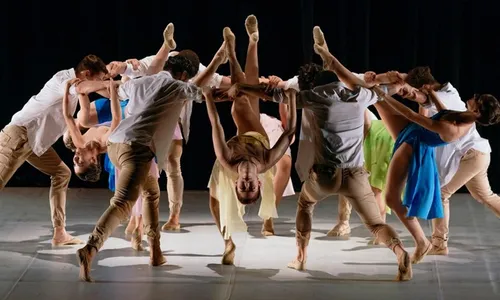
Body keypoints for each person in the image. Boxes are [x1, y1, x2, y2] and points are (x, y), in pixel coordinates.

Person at [238, 26, 412, 281]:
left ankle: (300, 257)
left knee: (306, 204)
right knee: (375, 224)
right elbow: (392, 86)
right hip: (355, 174)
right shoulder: (361, 95)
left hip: (325, 175)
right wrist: (395, 79)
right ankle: (399, 252)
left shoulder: (315, 96)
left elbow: (271, 93)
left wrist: (242, 88)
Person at [76, 28, 228, 281]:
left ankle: (155, 251)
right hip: (136, 149)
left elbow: (114, 90)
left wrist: (92, 86)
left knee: (151, 193)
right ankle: (90, 248)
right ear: (183, 74)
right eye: (188, 77)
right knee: (123, 203)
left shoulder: (142, 81)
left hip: (116, 145)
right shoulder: (178, 86)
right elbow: (200, 86)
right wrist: (217, 60)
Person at [371, 71, 500, 265]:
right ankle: (433, 242)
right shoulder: (459, 111)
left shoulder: (453, 125)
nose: (473, 96)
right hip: (480, 154)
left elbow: (411, 114)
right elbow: (443, 111)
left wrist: (384, 95)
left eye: (477, 99)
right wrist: (431, 94)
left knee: (441, 194)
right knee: (486, 196)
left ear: (478, 112)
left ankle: (438, 244)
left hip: (472, 156)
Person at [103, 40, 229, 232]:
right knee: (133, 189)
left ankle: (160, 225)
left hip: (130, 137)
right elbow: (140, 68)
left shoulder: (165, 80)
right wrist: (122, 68)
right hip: (140, 136)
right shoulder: (175, 83)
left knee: (157, 180)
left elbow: (215, 82)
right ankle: (131, 222)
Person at [205, 15, 297, 265]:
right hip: (256, 139)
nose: (246, 183)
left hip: (233, 152)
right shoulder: (266, 162)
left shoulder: (226, 162)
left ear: (237, 185)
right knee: (242, 106)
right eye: (251, 187)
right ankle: (239, 49)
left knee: (214, 203)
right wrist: (290, 99)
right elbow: (289, 134)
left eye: (242, 187)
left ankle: (227, 242)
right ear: (258, 182)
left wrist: (209, 98)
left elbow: (216, 125)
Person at [0, 54, 108, 247]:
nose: (99, 86)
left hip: (34, 142)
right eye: (98, 80)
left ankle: (60, 233)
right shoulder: (64, 80)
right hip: (19, 135)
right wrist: (117, 85)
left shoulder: (75, 90)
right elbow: (84, 89)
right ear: (86, 73)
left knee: (62, 173)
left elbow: (76, 111)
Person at [328, 109, 394, 243]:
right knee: (350, 179)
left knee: (375, 186)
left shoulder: (351, 102)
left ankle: (381, 232)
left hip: (375, 138)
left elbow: (365, 123)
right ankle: (344, 222)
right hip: (369, 135)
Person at [63, 78, 121, 182]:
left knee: (82, 119)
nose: (74, 159)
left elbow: (67, 116)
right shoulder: (105, 142)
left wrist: (67, 88)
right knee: (83, 120)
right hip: (120, 109)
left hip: (105, 110)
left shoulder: (79, 143)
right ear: (93, 160)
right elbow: (117, 117)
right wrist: (113, 92)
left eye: (74, 163)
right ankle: (115, 85)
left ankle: (81, 89)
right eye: (80, 162)